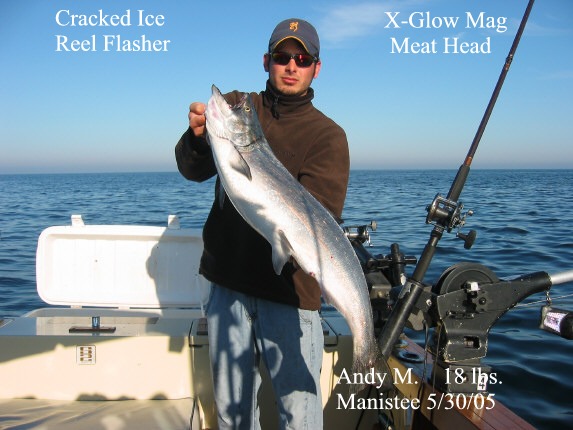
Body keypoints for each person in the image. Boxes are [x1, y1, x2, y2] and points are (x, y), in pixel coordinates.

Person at [175, 18, 349, 430]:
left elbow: (322, 217)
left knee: (300, 415)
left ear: (316, 68)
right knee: (233, 414)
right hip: (227, 285)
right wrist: (198, 138)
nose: (291, 66)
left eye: (302, 59)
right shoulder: (239, 107)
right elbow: (192, 169)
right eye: (282, 56)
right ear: (266, 61)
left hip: (290, 296)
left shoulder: (328, 136)